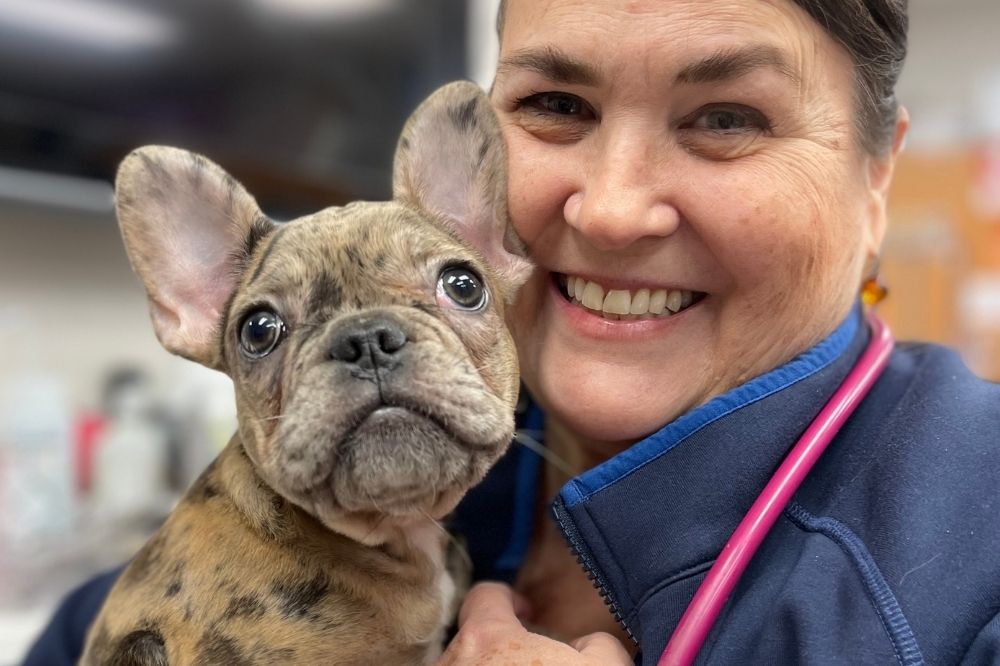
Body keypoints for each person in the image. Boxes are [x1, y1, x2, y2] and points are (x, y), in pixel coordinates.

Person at [23, 1, 1000, 664]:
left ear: (877, 179)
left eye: (728, 117)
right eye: (555, 106)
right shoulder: (210, 562)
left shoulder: (973, 541)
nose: (614, 211)